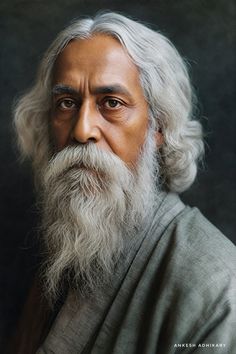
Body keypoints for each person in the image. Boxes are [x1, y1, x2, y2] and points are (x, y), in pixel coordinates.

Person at [10, 11, 235, 354]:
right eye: (67, 103)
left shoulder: (219, 290)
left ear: (158, 126)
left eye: (111, 103)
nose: (82, 130)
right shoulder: (65, 248)